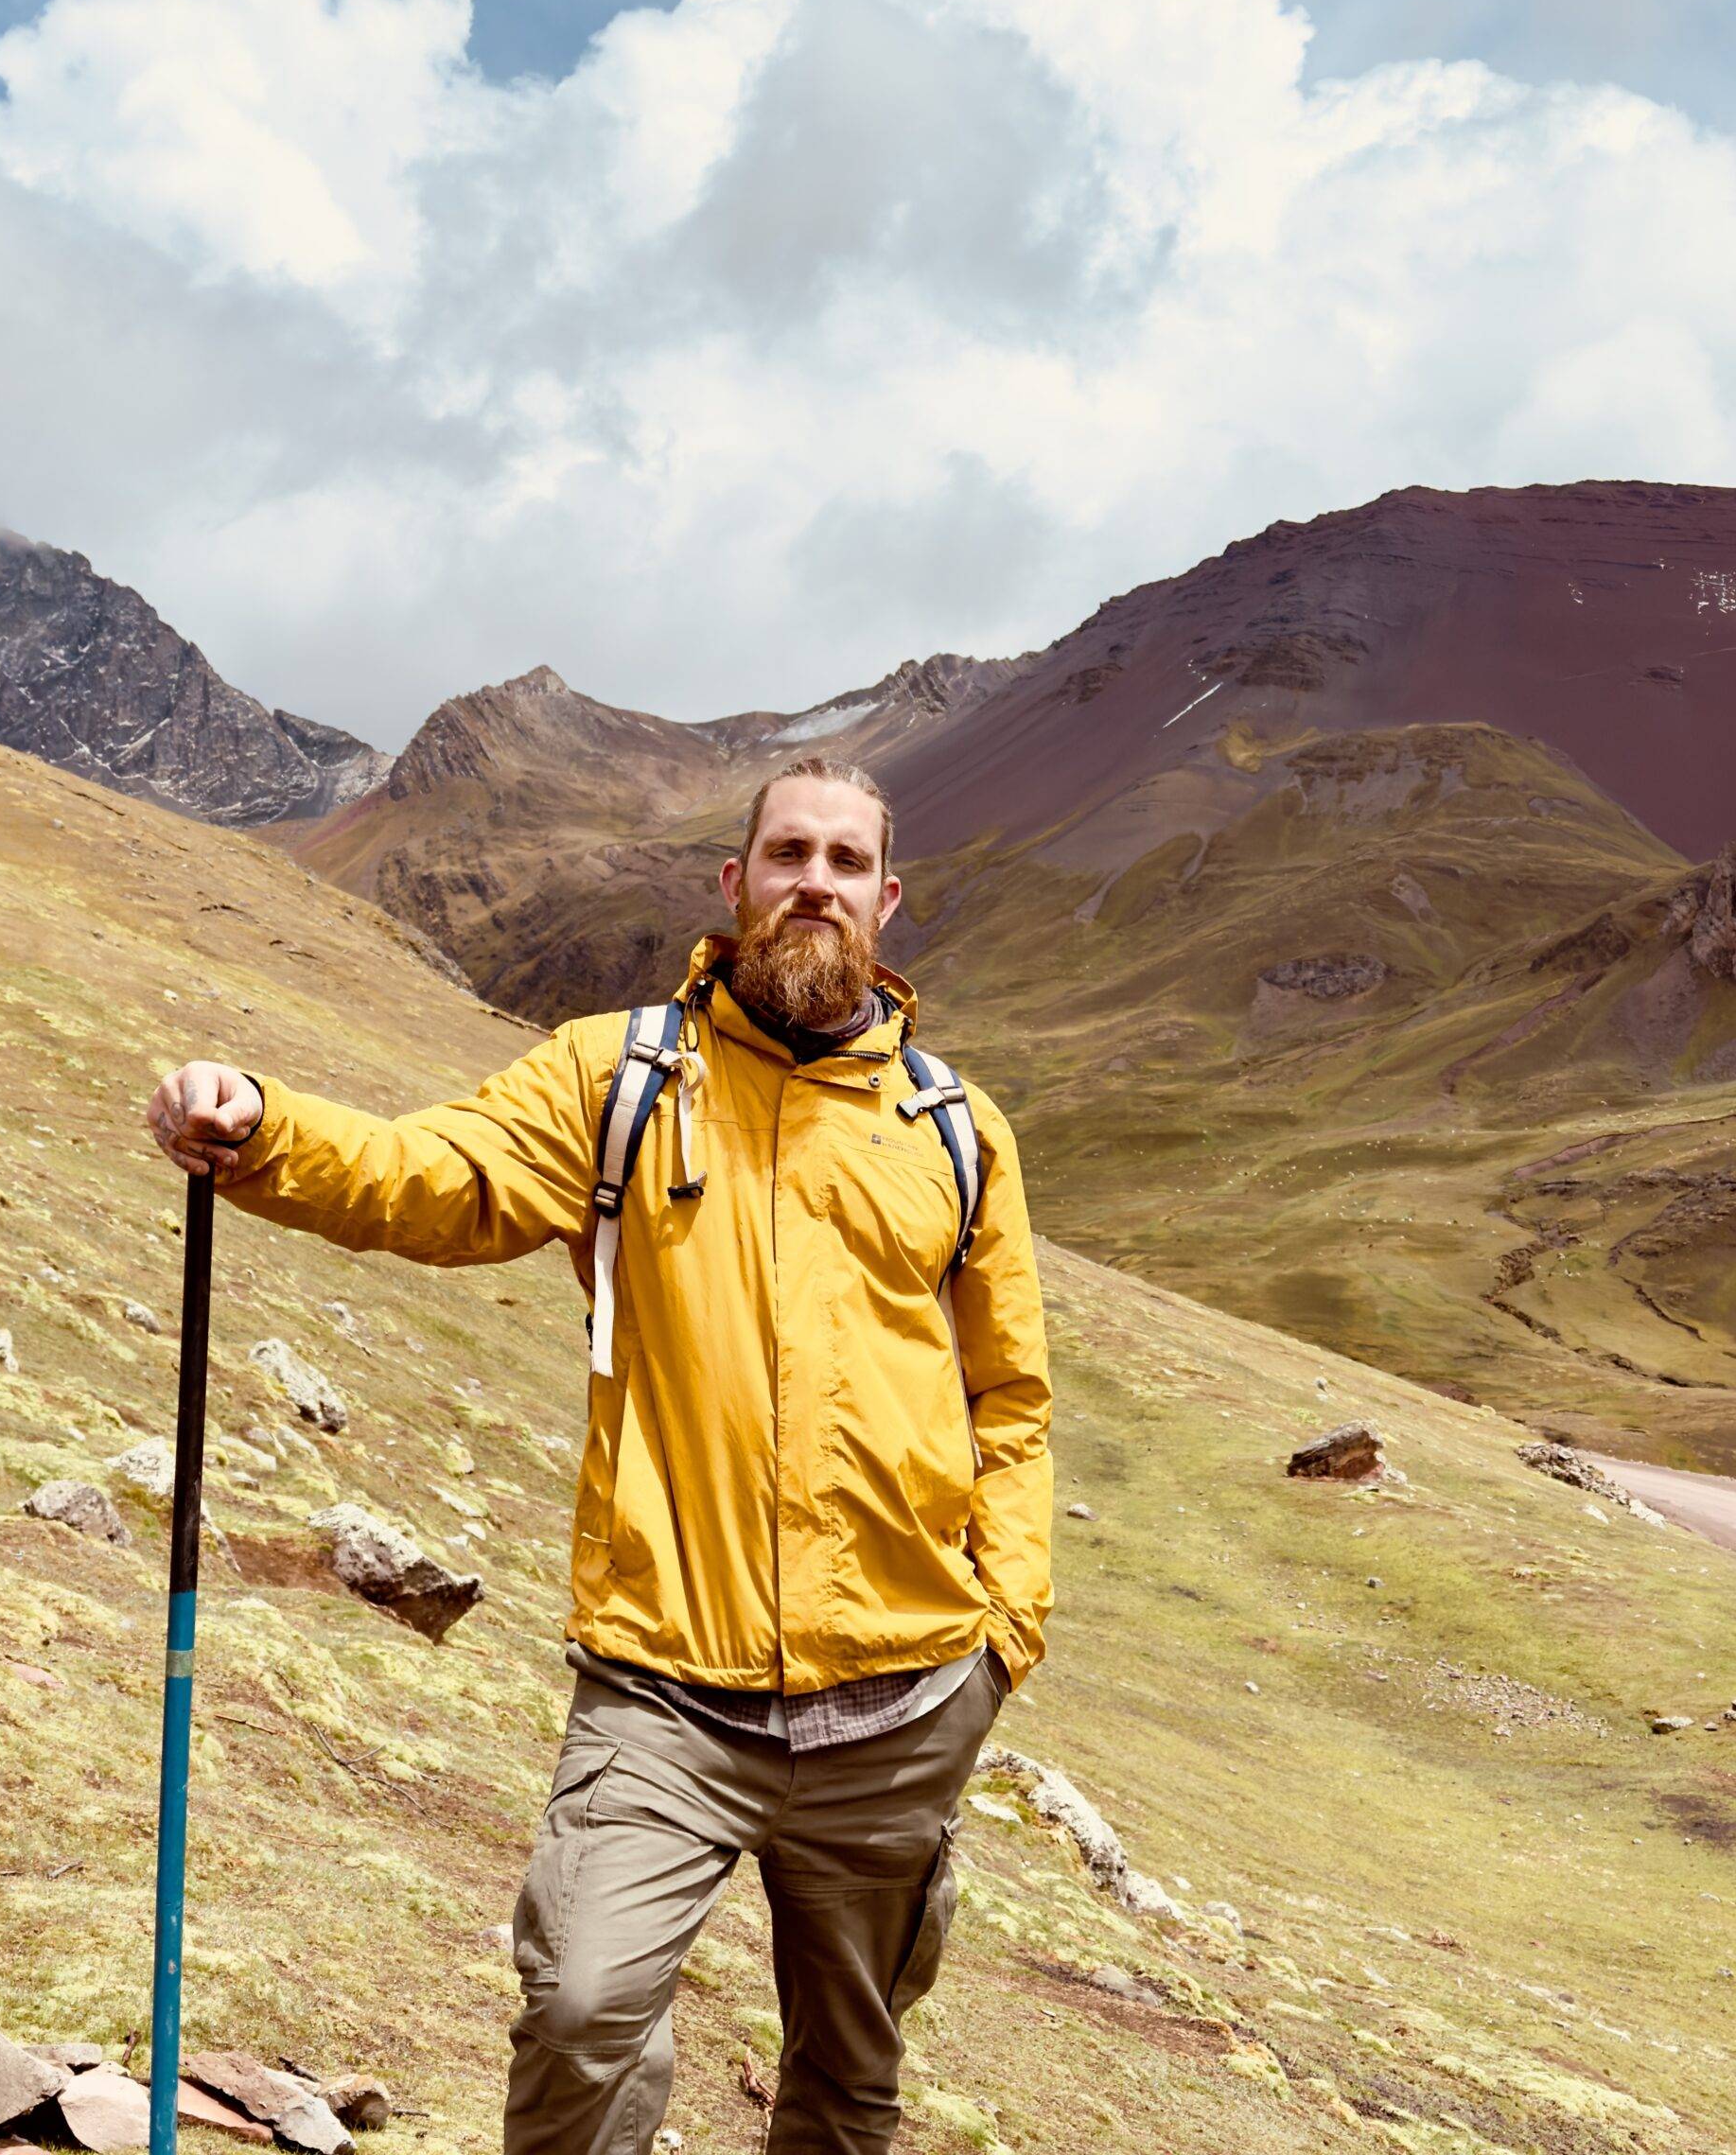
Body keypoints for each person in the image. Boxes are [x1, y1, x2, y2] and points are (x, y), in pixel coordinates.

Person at [145, 756, 1054, 2155]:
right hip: (666, 1689)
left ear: (888, 900)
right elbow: (436, 1178)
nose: (814, 882)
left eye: (845, 862)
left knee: (851, 2076)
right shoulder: (618, 1077)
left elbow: (1010, 1398)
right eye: (788, 854)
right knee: (582, 2011)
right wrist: (266, 1129)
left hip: (905, 1695)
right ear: (736, 883)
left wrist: (1003, 1635)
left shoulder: (955, 1130)